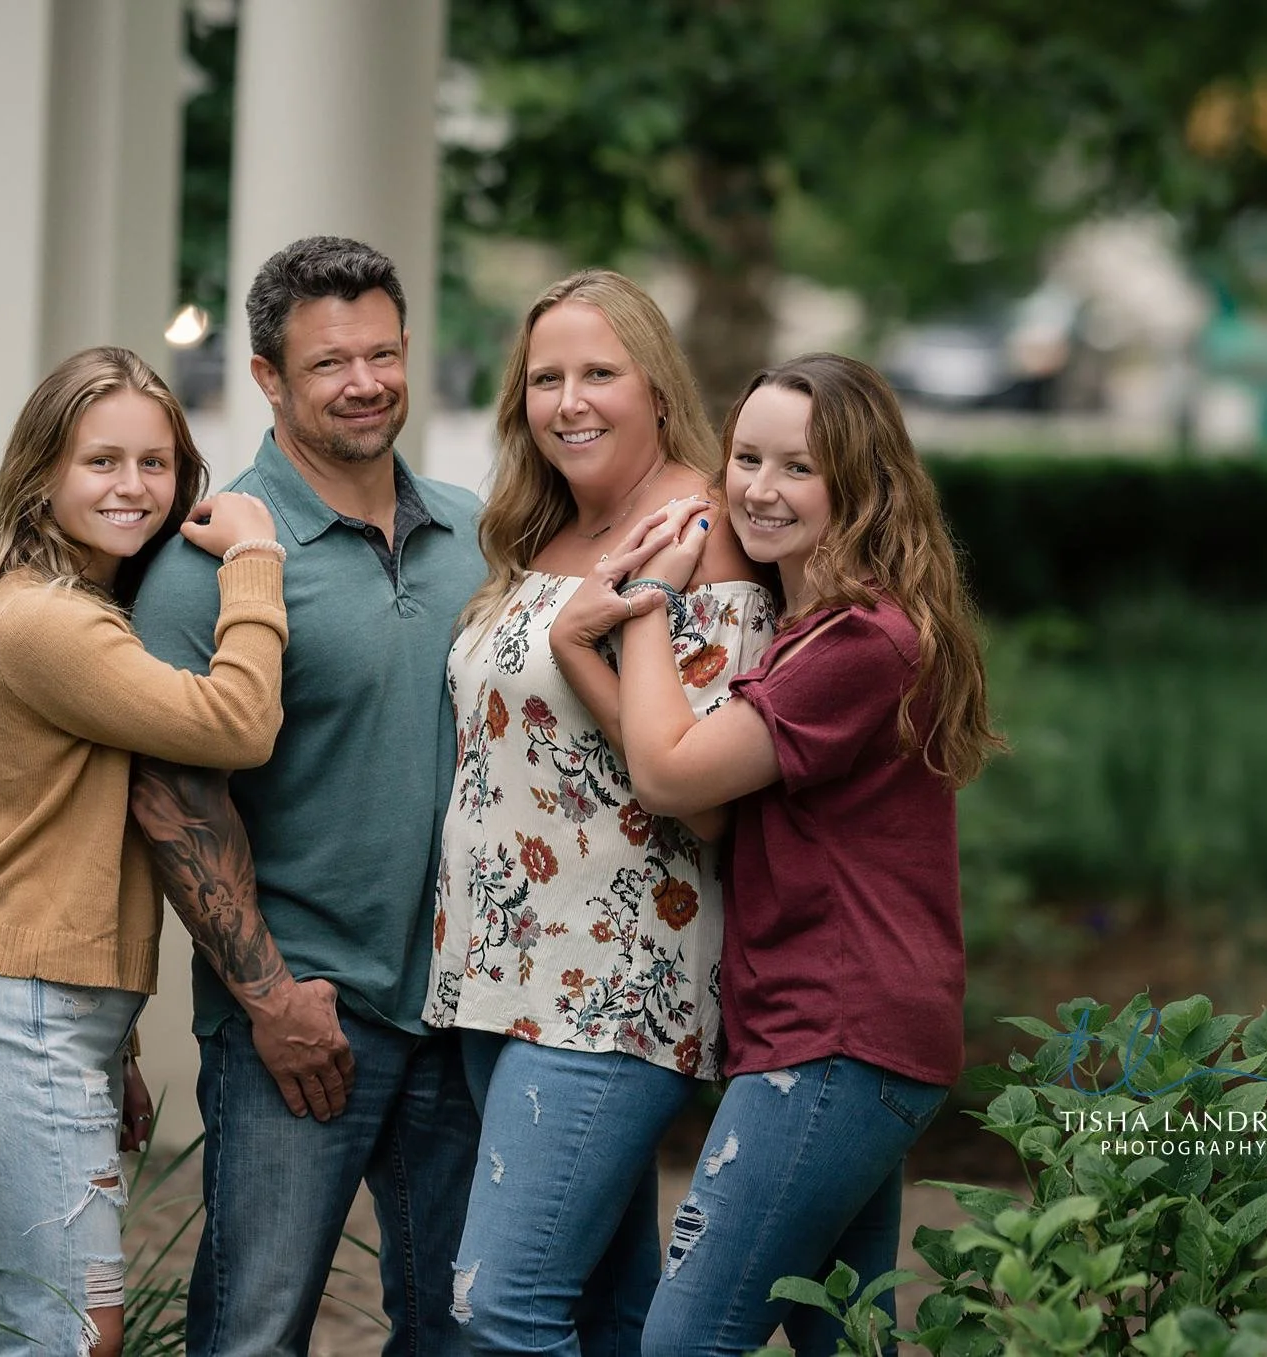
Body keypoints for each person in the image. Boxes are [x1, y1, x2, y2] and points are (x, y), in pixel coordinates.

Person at [568, 353, 1002, 1356]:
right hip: (833, 1034)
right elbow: (702, 797)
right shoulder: (807, 635)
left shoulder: (862, 642)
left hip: (836, 1036)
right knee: (841, 1335)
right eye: (746, 459)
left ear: (859, 484)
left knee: (684, 1339)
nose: (759, 489)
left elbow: (672, 777)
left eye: (797, 467)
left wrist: (643, 608)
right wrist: (583, 655)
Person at [129, 236, 487, 1356]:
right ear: (269, 378)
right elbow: (173, 797)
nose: (367, 381)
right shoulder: (212, 558)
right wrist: (270, 997)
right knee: (254, 1330)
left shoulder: (476, 535)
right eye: (331, 362)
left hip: (463, 1014)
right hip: (302, 1018)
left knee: (457, 1329)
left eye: (383, 352)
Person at [425, 270, 775, 1354]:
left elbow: (706, 799)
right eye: (545, 379)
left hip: (613, 978)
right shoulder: (540, 530)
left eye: (598, 373)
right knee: (604, 1310)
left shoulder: (702, 534)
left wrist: (605, 635)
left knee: (501, 1305)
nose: (568, 401)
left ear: (656, 387)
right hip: (495, 973)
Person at [0, 346, 287, 1357]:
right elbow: (238, 721)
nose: (132, 487)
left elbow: (67, 847)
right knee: (76, 1332)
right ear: (42, 473)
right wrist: (257, 560)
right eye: (101, 462)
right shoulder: (48, 622)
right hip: (17, 1011)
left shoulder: (76, 611)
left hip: (37, 1009)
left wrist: (111, 1042)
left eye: (154, 463)